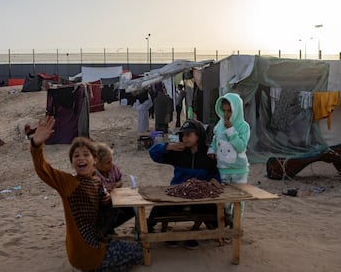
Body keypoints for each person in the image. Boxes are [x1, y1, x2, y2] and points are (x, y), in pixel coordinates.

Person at [30, 116, 142, 271]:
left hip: (96, 242)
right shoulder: (69, 183)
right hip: (85, 253)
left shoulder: (96, 181)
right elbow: (43, 169)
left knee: (126, 217)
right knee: (140, 252)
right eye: (76, 155)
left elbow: (103, 204)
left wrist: (106, 197)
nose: (81, 158)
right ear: (72, 162)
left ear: (94, 160)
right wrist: (37, 145)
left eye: (85, 154)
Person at [148, 119, 220, 250]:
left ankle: (195, 233)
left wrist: (215, 179)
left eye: (188, 135)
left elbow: (214, 172)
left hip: (199, 196)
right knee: (159, 209)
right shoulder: (178, 151)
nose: (184, 138)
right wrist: (167, 147)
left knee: (214, 213)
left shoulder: (208, 154)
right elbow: (153, 153)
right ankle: (153, 230)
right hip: (177, 193)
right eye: (183, 135)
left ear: (198, 135)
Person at [207, 92, 250, 226]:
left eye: (230, 110)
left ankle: (236, 226)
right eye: (224, 110)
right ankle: (227, 222)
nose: (226, 114)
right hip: (223, 170)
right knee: (224, 200)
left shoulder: (243, 126)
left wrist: (231, 130)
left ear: (237, 109)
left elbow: (241, 146)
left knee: (238, 200)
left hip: (239, 170)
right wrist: (212, 150)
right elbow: (215, 140)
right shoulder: (219, 125)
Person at [95, 142, 136, 235]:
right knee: (110, 211)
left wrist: (116, 185)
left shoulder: (113, 169)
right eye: (107, 162)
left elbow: (120, 181)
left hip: (116, 200)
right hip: (102, 205)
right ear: (97, 163)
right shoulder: (93, 175)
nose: (111, 164)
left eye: (111, 161)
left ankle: (109, 228)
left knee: (133, 209)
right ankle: (106, 230)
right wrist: (105, 189)